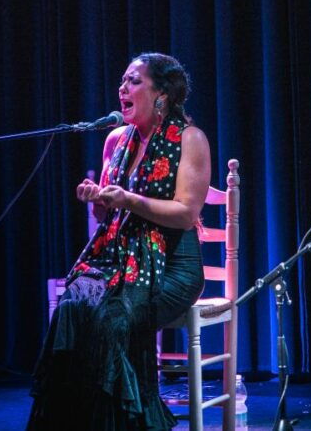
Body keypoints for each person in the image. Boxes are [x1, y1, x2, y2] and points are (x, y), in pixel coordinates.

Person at [27, 53, 211, 430]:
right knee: (72, 310)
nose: (121, 88)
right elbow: (106, 218)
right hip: (117, 259)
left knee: (112, 320)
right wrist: (98, 201)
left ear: (161, 95)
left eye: (133, 81)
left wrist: (128, 199)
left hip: (173, 266)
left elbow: (186, 214)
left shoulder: (190, 139)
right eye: (123, 81)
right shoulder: (115, 140)